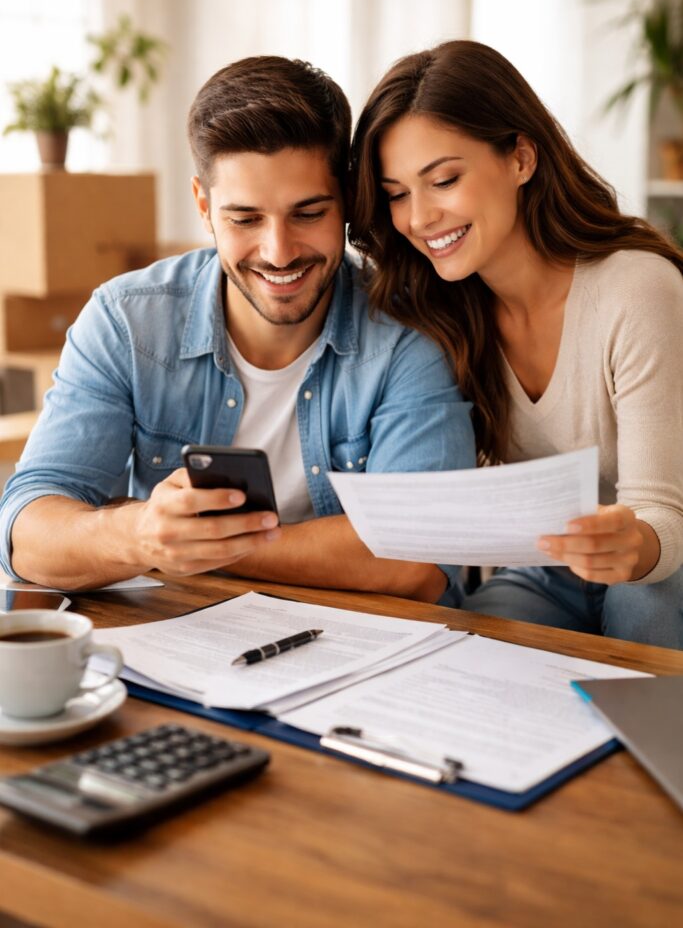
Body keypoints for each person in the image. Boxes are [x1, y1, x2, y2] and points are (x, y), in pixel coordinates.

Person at [0, 56, 475, 597]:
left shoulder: (409, 330)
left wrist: (203, 546)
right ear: (204, 205)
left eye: (308, 213)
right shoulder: (127, 321)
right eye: (245, 219)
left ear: (347, 200)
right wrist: (140, 536)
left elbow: (418, 561)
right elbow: (25, 532)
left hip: (374, 654)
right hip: (185, 645)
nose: (279, 252)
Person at [349, 39, 683, 649]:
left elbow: (662, 516)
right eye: (397, 193)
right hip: (559, 566)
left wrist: (628, 542)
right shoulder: (442, 308)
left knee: (640, 612)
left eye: (444, 179)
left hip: (664, 560)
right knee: (466, 648)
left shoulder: (637, 289)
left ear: (521, 158)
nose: (419, 218)